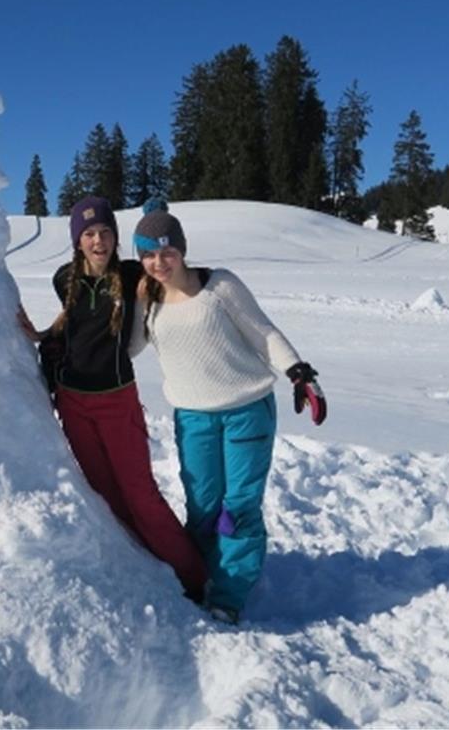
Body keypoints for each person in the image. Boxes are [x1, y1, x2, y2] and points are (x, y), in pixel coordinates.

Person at [128, 199, 326, 624]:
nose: (159, 263)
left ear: (182, 250)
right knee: (202, 507)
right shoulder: (149, 300)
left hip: (246, 411)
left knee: (237, 507)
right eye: (148, 255)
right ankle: (201, 578)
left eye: (167, 252)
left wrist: (297, 372)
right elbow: (128, 349)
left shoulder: (219, 286)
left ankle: (229, 594)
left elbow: (263, 332)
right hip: (192, 418)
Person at [18, 195, 208, 605]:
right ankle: (148, 569)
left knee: (140, 493)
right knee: (105, 495)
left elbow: (161, 259)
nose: (98, 240)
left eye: (105, 232)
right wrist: (40, 336)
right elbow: (71, 321)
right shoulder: (62, 277)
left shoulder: (130, 274)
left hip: (116, 400)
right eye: (89, 233)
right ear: (77, 240)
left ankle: (196, 577)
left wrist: (154, 221)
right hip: (74, 403)